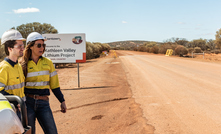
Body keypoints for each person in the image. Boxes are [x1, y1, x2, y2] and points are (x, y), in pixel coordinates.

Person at [19, 32, 67, 134]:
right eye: (39, 45)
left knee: (52, 132)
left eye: (43, 45)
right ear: (30, 46)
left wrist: (62, 101)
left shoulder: (48, 62)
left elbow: (54, 85)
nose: (42, 48)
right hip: (28, 104)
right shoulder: (22, 64)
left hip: (44, 104)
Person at [0, 29, 26, 102]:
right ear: (10, 48)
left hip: (21, 109)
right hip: (11, 110)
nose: (23, 49)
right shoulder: (4, 67)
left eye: (23, 46)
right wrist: (15, 102)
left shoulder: (19, 66)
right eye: (19, 46)